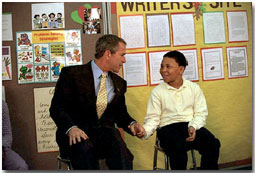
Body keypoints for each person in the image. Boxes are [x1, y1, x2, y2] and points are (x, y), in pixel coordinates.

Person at [49, 34, 145, 170]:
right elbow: (56, 108)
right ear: (108, 54)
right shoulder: (72, 75)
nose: (124, 60)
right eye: (122, 55)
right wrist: (71, 128)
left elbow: (121, 114)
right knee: (86, 152)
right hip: (75, 136)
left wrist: (132, 124)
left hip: (103, 138)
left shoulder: (119, 83)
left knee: (122, 151)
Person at [142, 51, 220, 170]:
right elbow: (153, 119)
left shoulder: (193, 88)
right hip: (167, 129)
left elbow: (200, 113)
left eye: (168, 66)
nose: (163, 70)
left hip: (189, 125)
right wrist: (145, 132)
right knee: (178, 150)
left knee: (213, 144)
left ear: (181, 69)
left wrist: (193, 126)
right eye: (162, 66)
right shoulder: (157, 92)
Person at [2, 100, 28, 170]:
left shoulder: (2, 105)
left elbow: (7, 134)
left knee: (21, 166)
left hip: (2, 149)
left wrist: (2, 148)